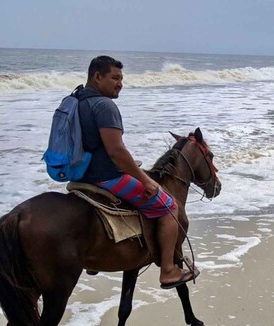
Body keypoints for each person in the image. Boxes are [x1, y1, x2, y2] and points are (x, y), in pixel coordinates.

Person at [76, 55, 197, 289]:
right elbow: (116, 152)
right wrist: (145, 181)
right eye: (115, 78)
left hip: (80, 175)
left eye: (122, 78)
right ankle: (168, 271)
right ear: (97, 76)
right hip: (106, 177)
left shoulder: (77, 101)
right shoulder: (105, 106)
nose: (120, 83)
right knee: (169, 207)